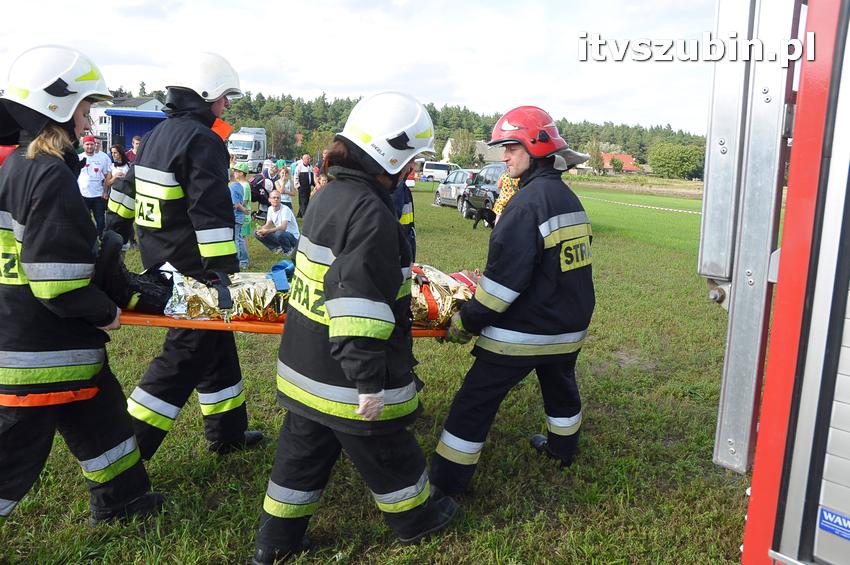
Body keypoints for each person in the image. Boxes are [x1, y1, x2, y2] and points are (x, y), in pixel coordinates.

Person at [252, 92, 457, 564]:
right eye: (410, 162)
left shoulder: (328, 196)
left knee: (299, 459)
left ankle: (275, 544)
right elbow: (356, 305)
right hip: (347, 378)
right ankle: (416, 519)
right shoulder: (370, 212)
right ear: (392, 157)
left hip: (306, 366)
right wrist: (369, 383)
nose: (410, 172)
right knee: (390, 452)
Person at [0, 45, 162, 525]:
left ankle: (124, 501)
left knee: (103, 416)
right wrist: (105, 311)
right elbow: (57, 283)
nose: (89, 120)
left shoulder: (19, 167)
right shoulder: (47, 174)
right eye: (86, 108)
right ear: (60, 106)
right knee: (11, 457)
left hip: (52, 344)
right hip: (38, 354)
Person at [104, 51, 263, 459]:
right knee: (185, 353)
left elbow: (126, 188)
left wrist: (111, 233)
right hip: (193, 271)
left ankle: (227, 432)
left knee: (216, 342)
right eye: (224, 97)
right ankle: (126, 455)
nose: (226, 105)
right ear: (204, 94)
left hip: (162, 262)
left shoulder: (159, 134)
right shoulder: (203, 141)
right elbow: (210, 216)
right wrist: (223, 277)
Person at [430, 106, 595, 496]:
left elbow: (501, 289)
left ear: (535, 147)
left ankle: (445, 486)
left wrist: (466, 322)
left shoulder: (524, 206)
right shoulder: (571, 201)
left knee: (474, 402)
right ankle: (562, 449)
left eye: (510, 148)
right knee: (560, 386)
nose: (504, 157)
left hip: (523, 334)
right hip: (570, 329)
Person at [78, 135, 112, 235]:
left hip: (98, 194)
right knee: (84, 220)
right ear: (83, 146)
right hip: (83, 194)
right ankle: (86, 239)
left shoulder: (102, 158)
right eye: (87, 144)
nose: (89, 146)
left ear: (95, 145)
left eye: (91, 144)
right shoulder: (79, 157)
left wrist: (106, 191)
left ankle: (101, 238)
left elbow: (107, 176)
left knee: (101, 221)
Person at [254, 190, 299, 255]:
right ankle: (277, 248)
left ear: (280, 199)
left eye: (278, 198)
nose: (276, 199)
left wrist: (267, 231)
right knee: (257, 233)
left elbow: (283, 227)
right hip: (282, 234)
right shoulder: (270, 209)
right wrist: (261, 229)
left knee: (279, 233)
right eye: (274, 197)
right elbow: (268, 224)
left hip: (293, 238)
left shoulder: (285, 209)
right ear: (269, 199)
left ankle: (289, 250)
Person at [230, 162, 251, 269]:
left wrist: (244, 210)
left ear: (242, 173)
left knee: (237, 240)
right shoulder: (239, 185)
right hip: (240, 216)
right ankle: (244, 261)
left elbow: (236, 204)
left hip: (236, 215)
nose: (234, 172)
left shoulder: (234, 186)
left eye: (236, 171)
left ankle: (239, 262)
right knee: (240, 238)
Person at [293, 153, 314, 218]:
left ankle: (300, 215)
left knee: (306, 200)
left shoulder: (310, 167)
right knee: (303, 201)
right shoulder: (299, 167)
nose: (308, 160)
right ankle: (305, 215)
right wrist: (298, 186)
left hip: (308, 187)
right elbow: (296, 177)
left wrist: (313, 184)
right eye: (307, 159)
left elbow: (312, 177)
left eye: (309, 158)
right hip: (302, 187)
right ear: (303, 159)